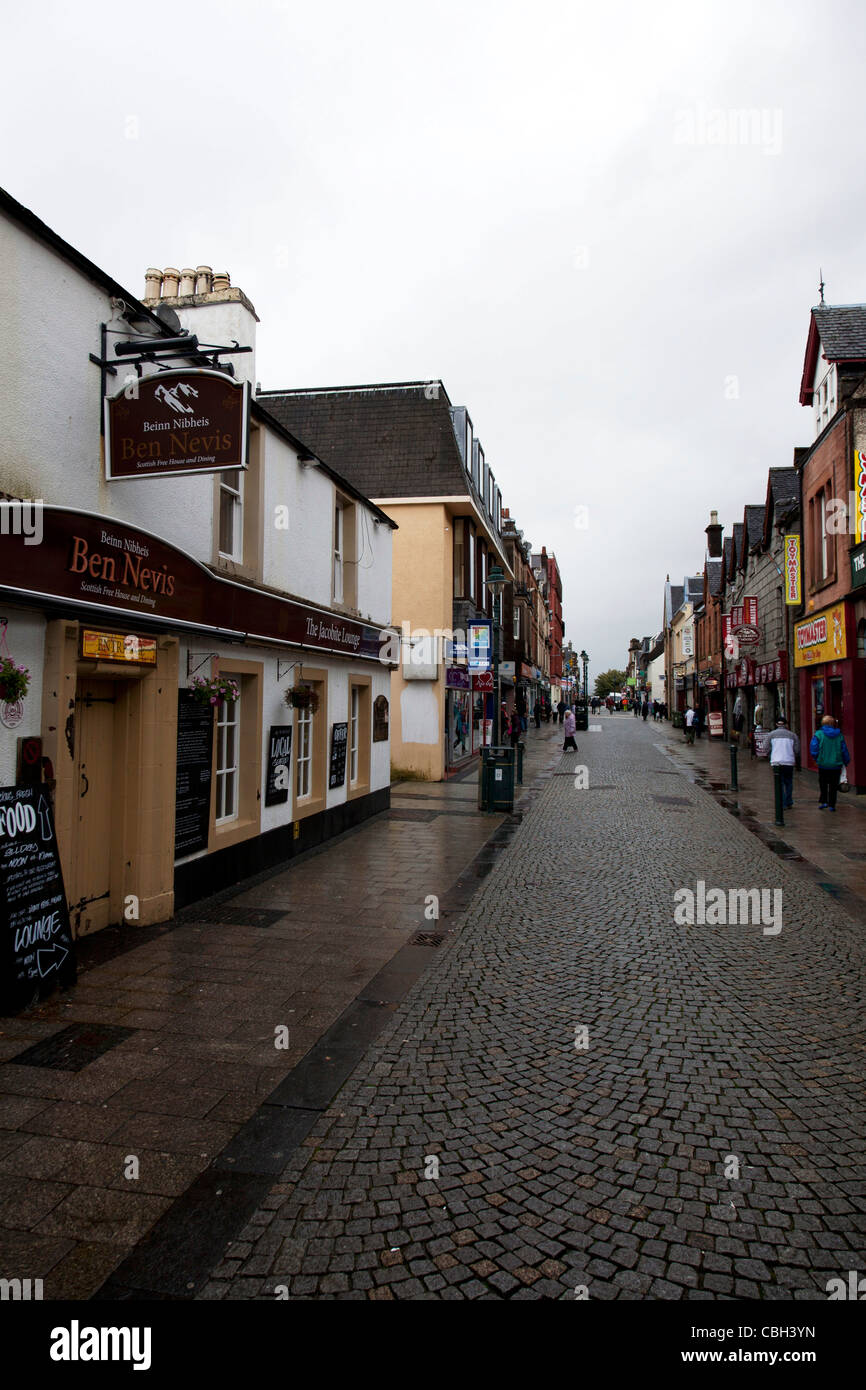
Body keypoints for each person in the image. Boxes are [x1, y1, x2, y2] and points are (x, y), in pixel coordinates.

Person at [810, 714, 850, 811]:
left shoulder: (819, 734)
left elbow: (814, 748)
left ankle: (824, 802)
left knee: (823, 784)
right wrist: (846, 760)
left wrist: (816, 758)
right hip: (836, 764)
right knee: (833, 785)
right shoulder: (839, 735)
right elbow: (843, 749)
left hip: (823, 764)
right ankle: (832, 804)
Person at [768, 717, 799, 808]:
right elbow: (797, 750)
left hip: (776, 762)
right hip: (789, 761)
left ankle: (782, 803)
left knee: (779, 783)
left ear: (776, 724)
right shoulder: (793, 735)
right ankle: (789, 801)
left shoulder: (771, 735)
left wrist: (771, 753)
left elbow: (766, 747)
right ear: (786, 724)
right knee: (788, 782)